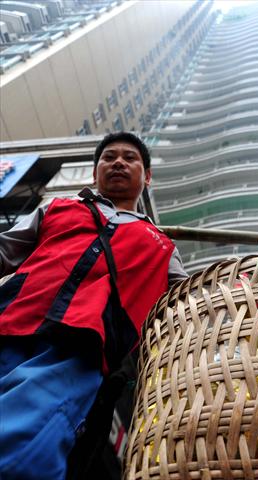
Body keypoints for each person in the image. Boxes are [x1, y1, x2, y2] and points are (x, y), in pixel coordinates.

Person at [0, 132, 187, 480]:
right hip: (9, 322)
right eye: (109, 157)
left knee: (21, 453)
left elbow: (196, 303)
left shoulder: (162, 247)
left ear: (146, 177)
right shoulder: (57, 208)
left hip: (77, 350)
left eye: (129, 158)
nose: (118, 162)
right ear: (94, 171)